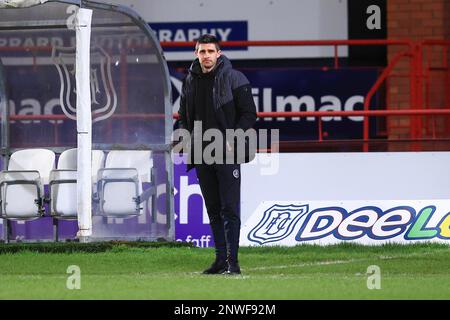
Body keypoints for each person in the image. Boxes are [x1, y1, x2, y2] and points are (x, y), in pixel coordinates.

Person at [178, 34, 257, 275]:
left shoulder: (234, 77)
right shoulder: (189, 81)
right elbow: (183, 115)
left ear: (218, 54)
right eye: (202, 52)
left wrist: (234, 137)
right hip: (202, 152)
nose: (206, 56)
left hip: (227, 152)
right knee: (213, 209)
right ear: (196, 54)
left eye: (211, 51)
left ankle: (233, 263)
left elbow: (249, 114)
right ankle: (221, 260)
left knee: (229, 209)